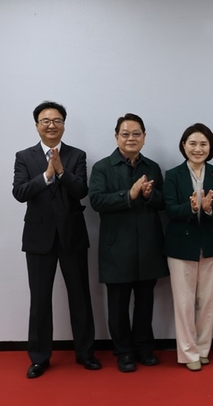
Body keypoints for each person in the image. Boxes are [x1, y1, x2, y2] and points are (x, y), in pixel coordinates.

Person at [12, 101, 101, 378]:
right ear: (37, 125)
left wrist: (61, 171)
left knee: (80, 297)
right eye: (45, 120)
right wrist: (47, 176)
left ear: (64, 124)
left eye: (57, 120)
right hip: (39, 237)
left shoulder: (77, 155)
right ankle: (39, 357)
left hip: (72, 235)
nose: (51, 125)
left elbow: (81, 190)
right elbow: (20, 192)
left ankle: (85, 353)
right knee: (40, 300)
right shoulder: (24, 156)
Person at [89, 113, 169, 373]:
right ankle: (123, 352)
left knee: (145, 302)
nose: (131, 138)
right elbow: (97, 201)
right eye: (125, 134)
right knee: (118, 305)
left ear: (144, 138)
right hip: (116, 247)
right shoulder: (102, 167)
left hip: (148, 245)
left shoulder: (152, 167)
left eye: (136, 134)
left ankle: (144, 348)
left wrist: (148, 195)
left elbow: (163, 202)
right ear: (116, 137)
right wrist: (129, 194)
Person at [163, 123, 213, 371]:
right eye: (192, 143)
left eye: (203, 144)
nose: (197, 149)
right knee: (184, 302)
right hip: (181, 246)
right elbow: (169, 209)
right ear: (183, 146)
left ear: (210, 148)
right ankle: (188, 353)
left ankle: (202, 349)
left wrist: (210, 208)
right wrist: (191, 208)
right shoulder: (172, 174)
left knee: (207, 300)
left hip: (211, 244)